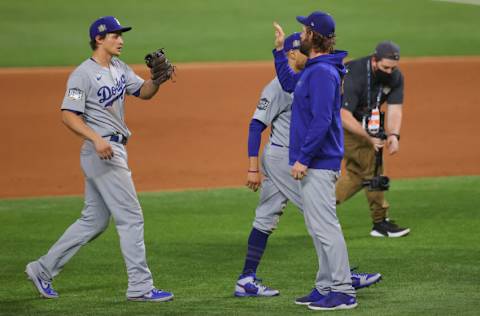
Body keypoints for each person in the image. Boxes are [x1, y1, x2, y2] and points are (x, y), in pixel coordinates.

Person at [25, 16, 174, 302]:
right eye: (115, 36)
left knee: (93, 221)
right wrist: (95, 138)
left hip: (111, 149)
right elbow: (68, 114)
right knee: (131, 217)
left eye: (121, 35)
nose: (121, 40)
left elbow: (143, 92)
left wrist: (157, 80)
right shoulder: (82, 74)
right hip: (103, 151)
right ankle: (140, 287)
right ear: (99, 39)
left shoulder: (119, 67)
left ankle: (42, 269)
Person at [234, 33, 381, 298]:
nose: (307, 53)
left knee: (267, 215)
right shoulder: (279, 86)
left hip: (292, 159)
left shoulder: (308, 78)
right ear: (292, 54)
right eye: (301, 50)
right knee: (321, 217)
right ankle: (342, 277)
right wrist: (252, 167)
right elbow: (256, 125)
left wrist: (277, 51)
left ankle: (246, 279)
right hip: (284, 160)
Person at [272, 12, 358, 310]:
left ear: (313, 35)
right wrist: (280, 50)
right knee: (317, 227)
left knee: (326, 228)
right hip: (316, 161)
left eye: (303, 31)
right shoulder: (317, 68)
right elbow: (288, 83)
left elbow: (322, 120)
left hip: (319, 162)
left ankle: (344, 291)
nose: (301, 35)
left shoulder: (322, 72)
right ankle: (325, 286)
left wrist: (303, 158)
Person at [336, 41, 410, 238]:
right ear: (374, 60)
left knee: (357, 175)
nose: (389, 72)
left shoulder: (395, 76)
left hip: (367, 123)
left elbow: (395, 108)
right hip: (344, 123)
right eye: (385, 67)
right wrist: (369, 137)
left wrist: (393, 134)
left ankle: (319, 206)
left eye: (393, 68)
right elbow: (343, 115)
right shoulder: (356, 74)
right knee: (374, 171)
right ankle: (380, 223)